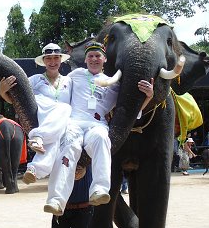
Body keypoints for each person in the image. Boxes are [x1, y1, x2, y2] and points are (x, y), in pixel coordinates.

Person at [45, 41, 154, 215]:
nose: (94, 59)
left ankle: (100, 190)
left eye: (97, 56)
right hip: (73, 123)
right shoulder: (76, 74)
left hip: (96, 124)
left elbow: (130, 111)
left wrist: (148, 96)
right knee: (68, 148)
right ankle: (56, 200)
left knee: (103, 139)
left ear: (104, 59)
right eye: (90, 56)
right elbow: (57, 89)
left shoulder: (114, 83)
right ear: (85, 59)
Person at [0, 43, 72, 184]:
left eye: (56, 58)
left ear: (61, 60)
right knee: (59, 108)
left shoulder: (69, 81)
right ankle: (38, 139)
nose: (52, 62)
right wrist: (2, 91)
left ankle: (34, 168)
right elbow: (17, 101)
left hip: (61, 128)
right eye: (49, 58)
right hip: (44, 122)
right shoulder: (33, 80)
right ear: (43, 61)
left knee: (64, 110)